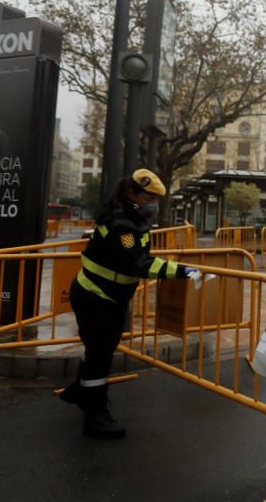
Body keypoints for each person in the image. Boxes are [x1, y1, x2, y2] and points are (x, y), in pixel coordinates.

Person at [59, 169, 202, 439]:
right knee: (100, 354)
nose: (153, 204)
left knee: (99, 349)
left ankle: (81, 390)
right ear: (132, 194)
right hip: (96, 296)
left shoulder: (132, 216)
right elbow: (137, 262)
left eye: (157, 199)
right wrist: (182, 271)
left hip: (109, 297)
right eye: (149, 197)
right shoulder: (122, 223)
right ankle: (95, 415)